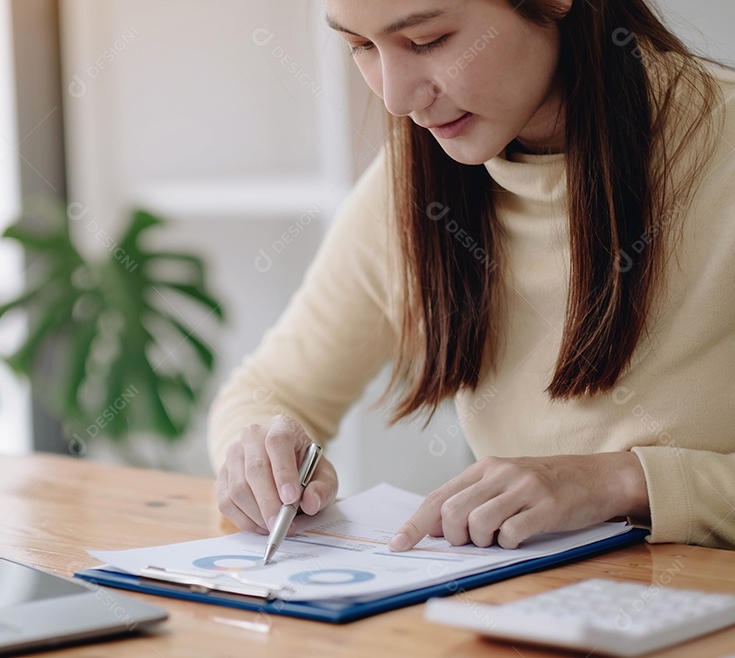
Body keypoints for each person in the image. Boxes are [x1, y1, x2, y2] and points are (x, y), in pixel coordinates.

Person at [209, 0, 735, 551]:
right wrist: (264, 459)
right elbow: (270, 390)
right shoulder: (415, 187)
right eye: (361, 47)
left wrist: (624, 482)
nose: (395, 98)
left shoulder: (715, 144)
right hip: (527, 613)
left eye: (427, 40)